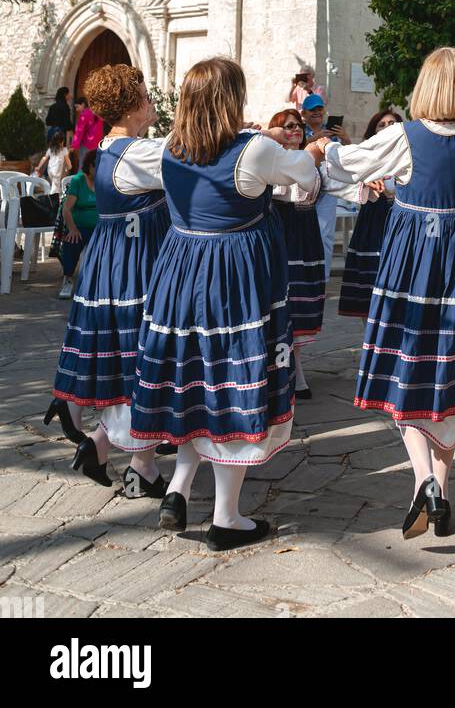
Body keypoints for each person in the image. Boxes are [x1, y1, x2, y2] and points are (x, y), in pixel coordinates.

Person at [311, 47, 455, 541]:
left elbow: (348, 164)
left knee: (410, 366)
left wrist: (322, 147)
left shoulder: (404, 136)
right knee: (451, 373)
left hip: (413, 265)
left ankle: (423, 481)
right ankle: (439, 492)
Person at [129, 57, 318, 552]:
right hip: (234, 277)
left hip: (178, 270)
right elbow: (304, 177)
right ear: (230, 99)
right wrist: (308, 149)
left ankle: (176, 488)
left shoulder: (166, 149)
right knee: (231, 382)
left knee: (192, 376)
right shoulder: (253, 150)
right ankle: (226, 517)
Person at [47, 65, 172, 501]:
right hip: (134, 264)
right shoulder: (138, 153)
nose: (151, 97)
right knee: (145, 360)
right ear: (132, 102)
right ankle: (130, 461)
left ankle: (121, 456)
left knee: (137, 362)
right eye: (144, 91)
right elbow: (193, 156)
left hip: (117, 257)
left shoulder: (118, 146)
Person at [268, 106, 330, 401]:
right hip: (281, 232)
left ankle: (297, 366)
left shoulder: (313, 162)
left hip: (306, 234)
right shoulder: (270, 162)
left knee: (304, 303)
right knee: (286, 302)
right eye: (288, 126)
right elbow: (281, 191)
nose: (295, 131)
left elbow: (336, 183)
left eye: (298, 126)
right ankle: (291, 371)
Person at [338, 109, 403, 320]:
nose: (387, 127)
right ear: (373, 131)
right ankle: (371, 332)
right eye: (381, 124)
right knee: (369, 277)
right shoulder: (367, 155)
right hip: (373, 218)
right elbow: (347, 173)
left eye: (392, 123)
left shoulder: (409, 155)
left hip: (400, 218)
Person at [301, 93, 351, 279]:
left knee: (325, 235)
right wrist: (314, 139)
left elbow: (347, 155)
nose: (316, 112)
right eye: (312, 109)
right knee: (302, 235)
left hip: (327, 187)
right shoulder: (299, 129)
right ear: (304, 113)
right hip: (303, 187)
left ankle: (322, 279)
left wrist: (345, 138)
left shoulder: (332, 132)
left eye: (319, 109)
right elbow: (293, 150)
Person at [56, 149, 98, 300]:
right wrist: (72, 229)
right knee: (72, 240)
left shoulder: (105, 181)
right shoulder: (78, 180)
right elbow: (67, 209)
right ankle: (67, 279)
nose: (100, 169)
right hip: (79, 226)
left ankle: (100, 282)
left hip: (100, 228)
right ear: (89, 165)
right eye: (96, 165)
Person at [36, 130, 72, 197]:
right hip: (57, 171)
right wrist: (69, 166)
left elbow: (44, 158)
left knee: (55, 185)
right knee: (55, 189)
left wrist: (39, 167)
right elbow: (68, 161)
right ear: (62, 141)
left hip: (50, 170)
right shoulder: (64, 150)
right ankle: (52, 200)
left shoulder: (50, 149)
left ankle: (53, 198)